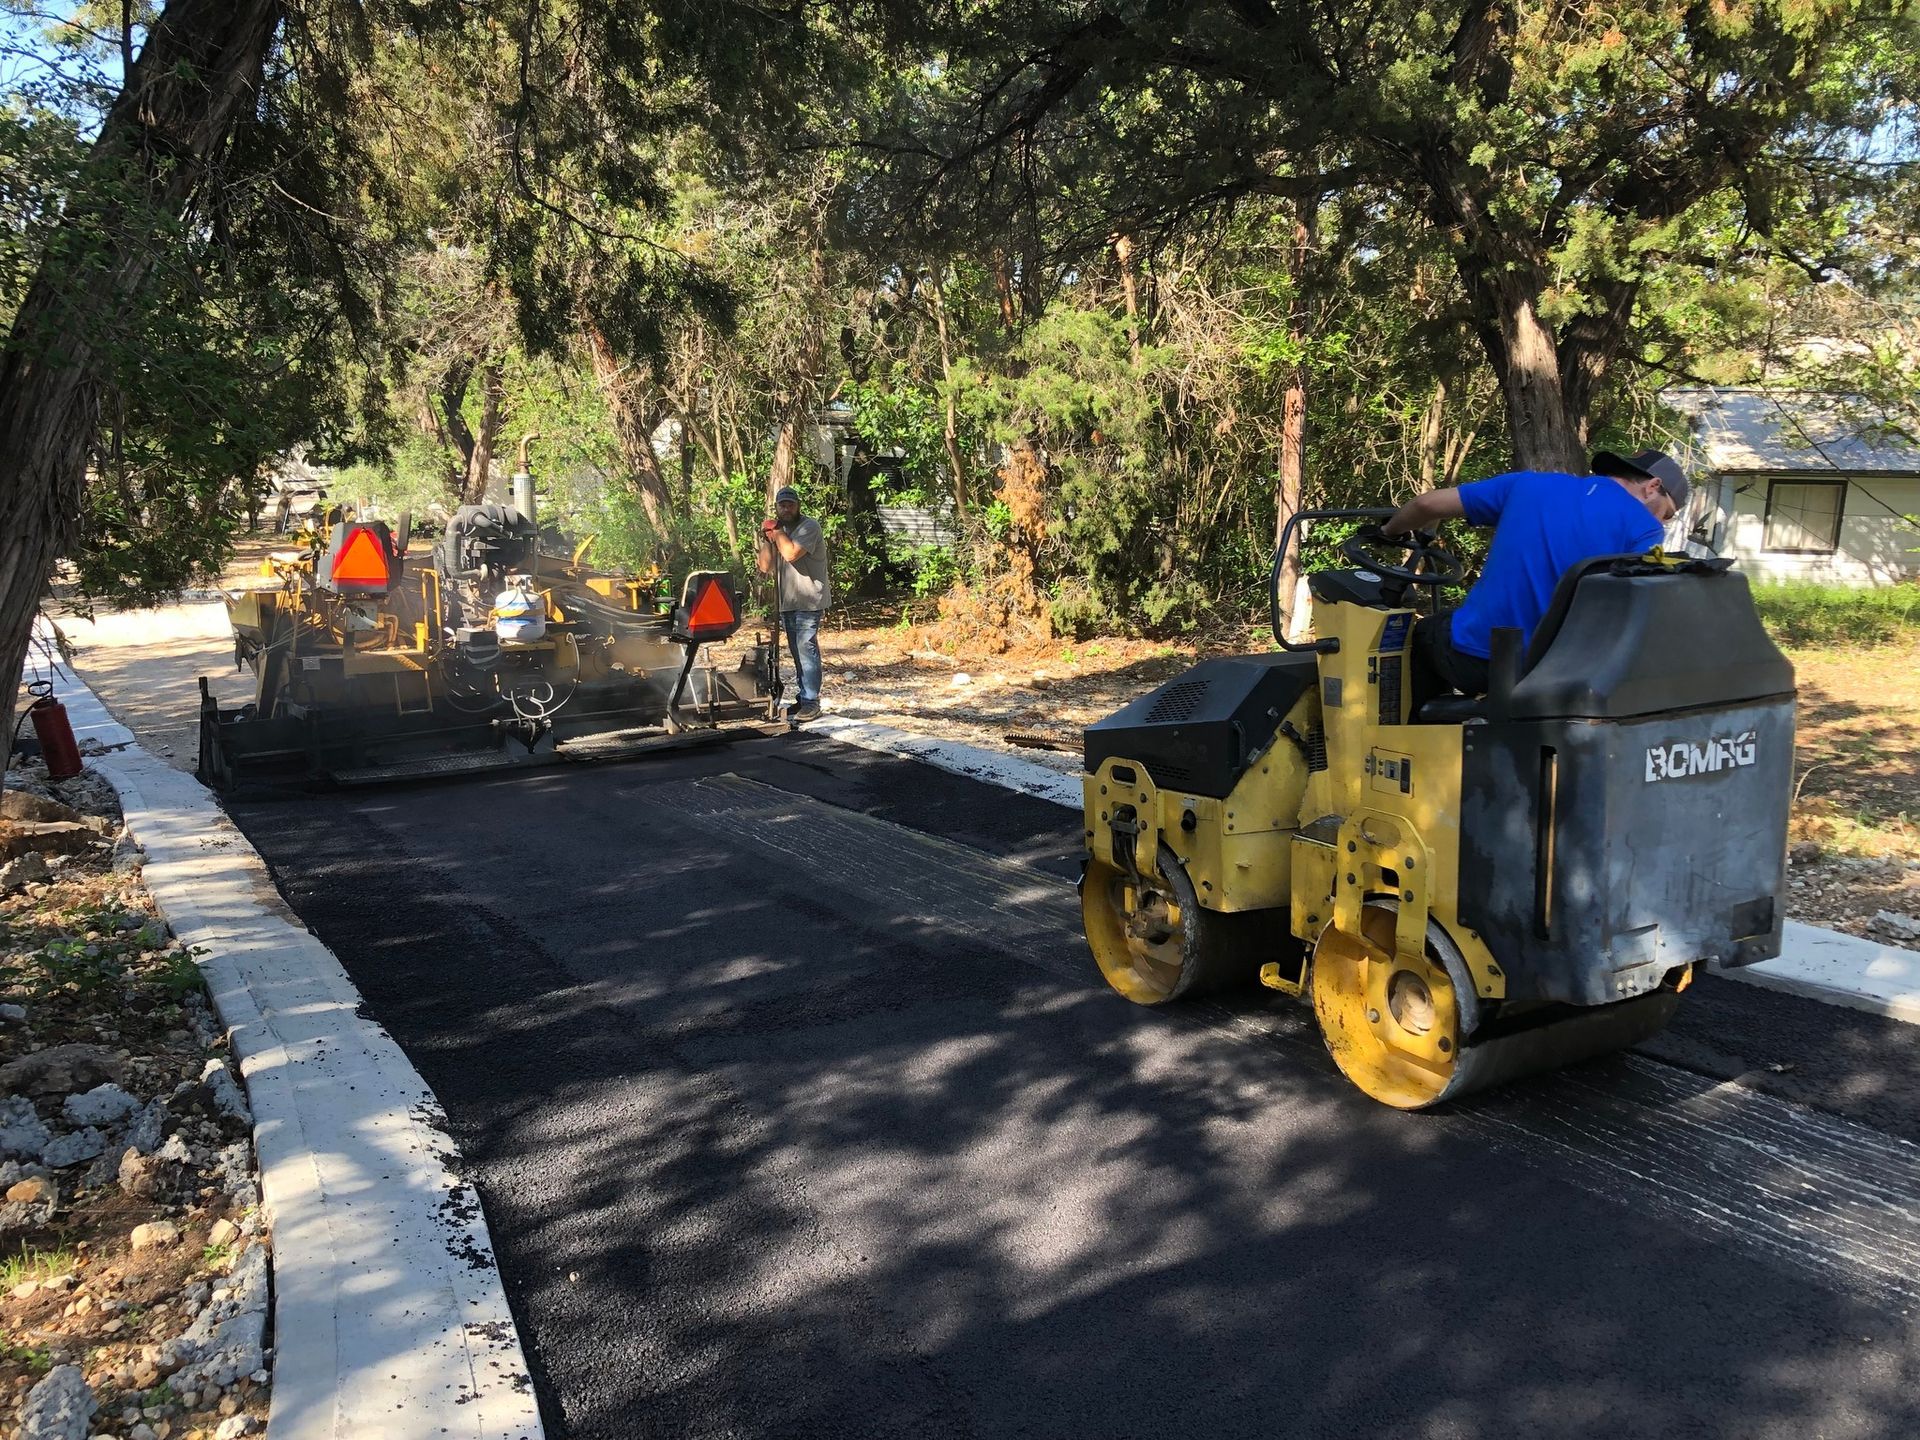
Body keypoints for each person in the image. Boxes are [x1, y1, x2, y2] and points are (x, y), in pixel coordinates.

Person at [1381, 448, 1688, 708]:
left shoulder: (1527, 485)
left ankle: (1412, 744)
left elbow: (1426, 505)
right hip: (1559, 672)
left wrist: (1387, 532)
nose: (1662, 521)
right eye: (1667, 513)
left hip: (1476, 658)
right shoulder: (1645, 529)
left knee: (1421, 634)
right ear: (1652, 486)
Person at [756, 484, 831, 720]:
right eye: (782, 505)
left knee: (806, 648)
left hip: (809, 599)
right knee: (798, 652)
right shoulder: (781, 530)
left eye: (790, 504)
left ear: (798, 505)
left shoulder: (809, 526)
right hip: (788, 601)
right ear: (777, 507)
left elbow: (790, 553)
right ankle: (803, 698)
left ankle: (811, 701)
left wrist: (776, 532)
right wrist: (767, 539)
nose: (786, 508)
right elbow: (765, 566)